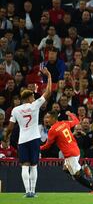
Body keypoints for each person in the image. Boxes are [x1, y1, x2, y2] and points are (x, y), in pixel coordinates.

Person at [5, 67, 52, 198]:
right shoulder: (34, 105)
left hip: (23, 140)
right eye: (32, 95)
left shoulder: (15, 110)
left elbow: (10, 127)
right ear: (29, 97)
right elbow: (48, 92)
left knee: (24, 166)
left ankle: (27, 192)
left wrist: (5, 138)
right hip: (34, 139)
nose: (33, 97)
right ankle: (33, 190)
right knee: (34, 165)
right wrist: (49, 76)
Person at [40, 111, 93, 194]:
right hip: (75, 150)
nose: (47, 120)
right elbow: (76, 121)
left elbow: (47, 145)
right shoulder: (65, 123)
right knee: (65, 169)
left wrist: (38, 148)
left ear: (54, 118)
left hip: (70, 154)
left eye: (48, 118)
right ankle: (82, 168)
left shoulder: (52, 130)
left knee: (77, 176)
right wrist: (70, 114)